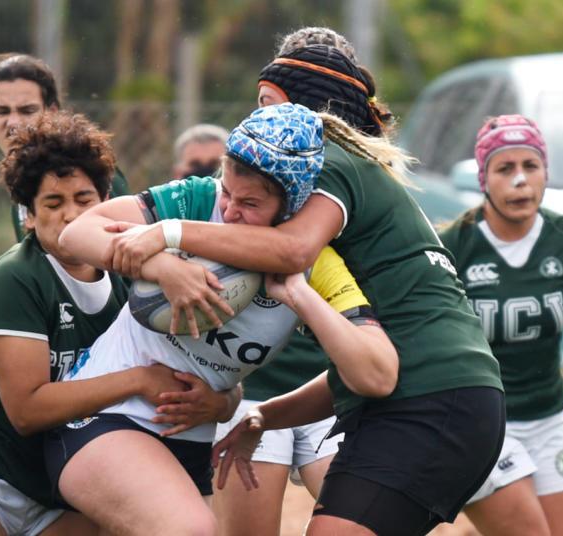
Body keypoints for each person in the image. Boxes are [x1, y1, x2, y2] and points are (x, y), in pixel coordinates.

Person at [106, 78, 505, 535]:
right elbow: (357, 372)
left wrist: (169, 234)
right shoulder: (321, 206)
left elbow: (372, 365)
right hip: (420, 400)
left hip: (430, 401)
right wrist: (264, 415)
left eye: (270, 106)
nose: (262, 125)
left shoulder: (326, 173)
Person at [50, 103, 396, 535]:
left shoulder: (313, 261)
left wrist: (299, 298)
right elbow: (76, 233)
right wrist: (164, 268)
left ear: (293, 204)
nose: (230, 211)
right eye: (228, 192)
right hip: (106, 418)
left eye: (251, 203)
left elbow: (377, 373)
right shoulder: (197, 201)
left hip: (192, 439)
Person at [0, 111, 205, 536]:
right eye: (53, 203)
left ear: (107, 205)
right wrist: (137, 380)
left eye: (84, 200)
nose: (71, 215)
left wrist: (219, 401)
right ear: (28, 215)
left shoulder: (131, 281)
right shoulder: (17, 276)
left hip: (59, 494)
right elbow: (27, 410)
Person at [211, 37, 397, 536]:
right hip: (251, 396)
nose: (258, 114)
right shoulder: (240, 182)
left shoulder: (341, 187)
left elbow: (297, 257)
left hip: (324, 393)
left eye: (267, 102)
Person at [442, 115, 563, 536]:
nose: (520, 180)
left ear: (545, 173)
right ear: (484, 177)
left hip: (548, 416)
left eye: (530, 166)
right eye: (505, 169)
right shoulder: (455, 245)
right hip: (481, 423)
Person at [0, 53, 130, 241]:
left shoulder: (91, 172)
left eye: (27, 110)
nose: (13, 122)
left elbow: (124, 253)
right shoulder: (24, 186)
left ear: (52, 111)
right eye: (2, 111)